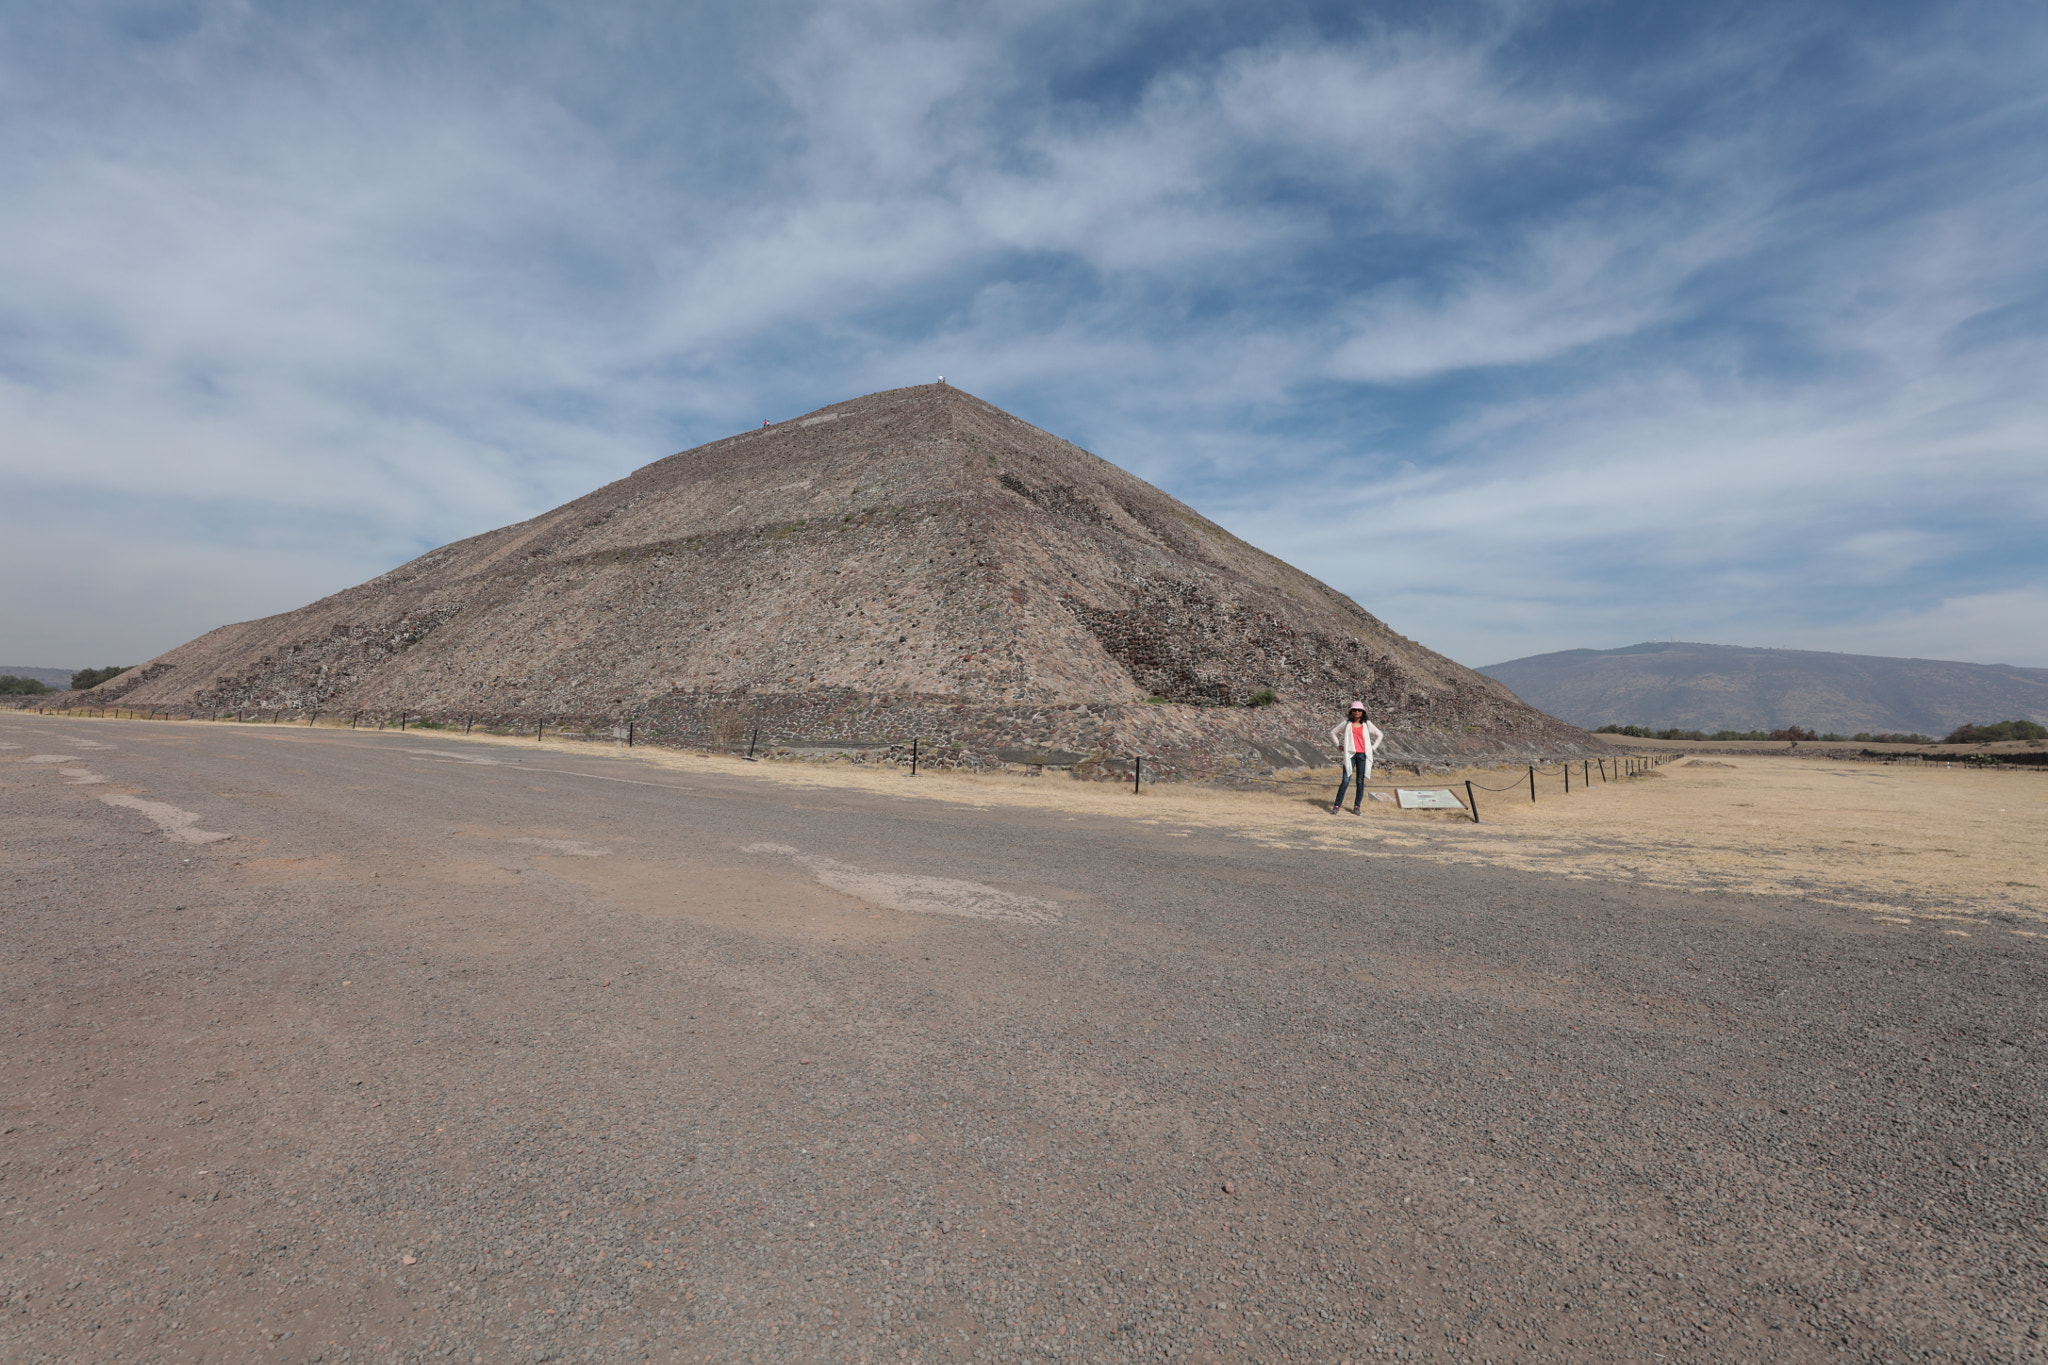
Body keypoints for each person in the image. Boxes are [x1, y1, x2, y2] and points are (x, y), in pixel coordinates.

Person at [1328, 701, 1384, 814]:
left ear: (1363, 712)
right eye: (1354, 710)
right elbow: (1333, 732)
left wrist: (1372, 748)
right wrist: (1338, 745)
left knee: (1359, 781)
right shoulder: (1346, 723)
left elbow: (1380, 735)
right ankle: (1337, 805)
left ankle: (1357, 806)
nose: (1356, 712)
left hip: (1362, 755)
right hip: (1350, 755)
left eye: (1359, 710)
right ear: (1351, 712)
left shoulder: (1367, 724)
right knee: (1345, 780)